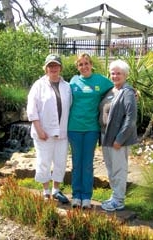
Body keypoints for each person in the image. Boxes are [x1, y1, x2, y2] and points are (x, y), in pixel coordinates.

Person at [68, 53, 114, 209]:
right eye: (80, 64)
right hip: (74, 128)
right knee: (76, 163)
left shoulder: (101, 80)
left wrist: (130, 91)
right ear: (77, 67)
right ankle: (76, 195)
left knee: (87, 164)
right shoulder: (73, 81)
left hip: (91, 129)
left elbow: (116, 87)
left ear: (91, 64)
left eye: (86, 63)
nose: (84, 66)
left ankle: (86, 197)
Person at [26, 53, 72, 203]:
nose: (53, 68)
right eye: (50, 65)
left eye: (56, 65)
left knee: (60, 161)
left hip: (62, 132)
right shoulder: (38, 85)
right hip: (43, 132)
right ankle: (46, 191)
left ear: (60, 68)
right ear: (46, 68)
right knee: (44, 161)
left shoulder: (67, 86)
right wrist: (39, 130)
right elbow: (31, 110)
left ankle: (56, 190)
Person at [99, 59, 138, 211]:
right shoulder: (111, 90)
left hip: (117, 140)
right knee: (110, 168)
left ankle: (119, 201)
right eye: (113, 73)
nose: (115, 76)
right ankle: (115, 196)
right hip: (106, 136)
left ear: (126, 75)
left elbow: (131, 119)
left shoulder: (128, 92)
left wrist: (119, 139)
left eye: (119, 73)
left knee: (119, 169)